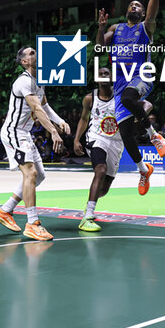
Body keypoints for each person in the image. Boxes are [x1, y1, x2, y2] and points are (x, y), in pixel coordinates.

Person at [96, 0, 165, 196]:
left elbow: (153, 13)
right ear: (126, 11)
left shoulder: (145, 27)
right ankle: (143, 170)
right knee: (126, 134)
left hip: (141, 75)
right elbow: (100, 47)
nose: (135, 7)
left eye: (139, 6)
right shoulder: (115, 29)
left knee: (129, 98)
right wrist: (101, 28)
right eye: (131, 5)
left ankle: (154, 135)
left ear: (143, 12)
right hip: (120, 83)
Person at [0, 46, 68, 241]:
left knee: (39, 175)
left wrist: (59, 121)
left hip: (24, 133)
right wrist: (53, 131)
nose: (36, 54)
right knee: (30, 173)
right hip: (14, 132)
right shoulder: (23, 81)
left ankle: (5, 210)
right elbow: (36, 108)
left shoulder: (40, 80)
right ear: (24, 62)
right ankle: (33, 223)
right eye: (31, 53)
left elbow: (44, 105)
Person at [72, 65, 123, 231]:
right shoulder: (90, 98)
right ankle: (88, 216)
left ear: (111, 77)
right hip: (96, 137)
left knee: (105, 188)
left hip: (116, 141)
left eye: (106, 73)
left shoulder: (121, 95)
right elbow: (83, 119)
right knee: (100, 170)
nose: (103, 75)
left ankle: (89, 203)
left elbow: (143, 104)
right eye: (100, 73)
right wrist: (76, 139)